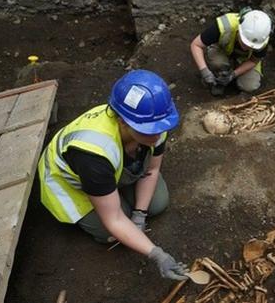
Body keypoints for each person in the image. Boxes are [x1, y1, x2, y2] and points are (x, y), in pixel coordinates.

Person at [37, 69, 189, 281]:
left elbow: (152, 170)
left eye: (160, 127)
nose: (157, 135)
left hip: (109, 170)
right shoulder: (93, 153)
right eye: (148, 130)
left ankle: (118, 192)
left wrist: (139, 215)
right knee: (112, 230)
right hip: (71, 184)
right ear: (122, 121)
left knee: (157, 204)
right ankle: (109, 198)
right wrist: (156, 254)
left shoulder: (153, 123)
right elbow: (114, 218)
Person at [190, 9, 272, 95]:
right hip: (222, 48)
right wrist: (204, 71)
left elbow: (253, 60)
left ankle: (230, 76)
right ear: (239, 30)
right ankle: (218, 75)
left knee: (249, 86)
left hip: (245, 58)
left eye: (250, 46)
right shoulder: (224, 25)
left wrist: (233, 74)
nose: (246, 48)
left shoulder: (262, 38)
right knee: (218, 64)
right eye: (244, 43)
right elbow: (196, 45)